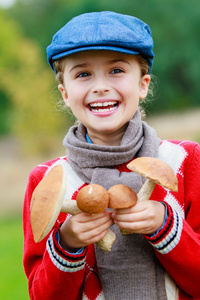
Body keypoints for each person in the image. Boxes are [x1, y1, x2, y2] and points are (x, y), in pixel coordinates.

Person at [23, 11, 200, 300]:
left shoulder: (185, 160)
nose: (100, 86)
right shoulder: (47, 181)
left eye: (116, 70)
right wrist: (67, 241)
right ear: (65, 93)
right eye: (83, 74)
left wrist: (166, 228)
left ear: (143, 84)